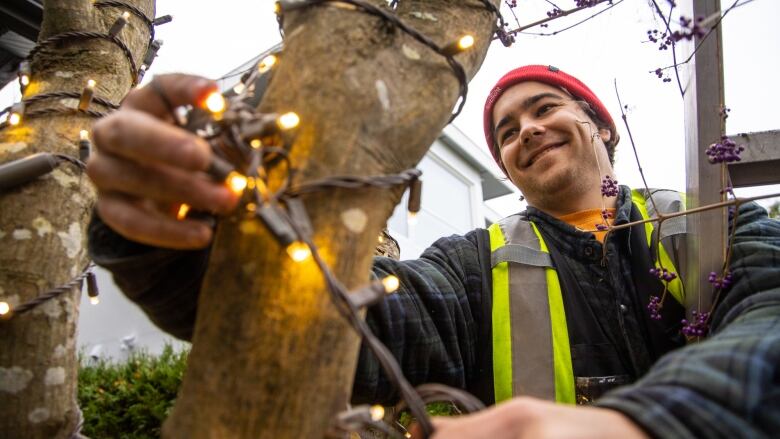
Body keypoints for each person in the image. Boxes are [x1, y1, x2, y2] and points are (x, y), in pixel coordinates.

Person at [86, 66, 780, 438]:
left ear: (601, 122)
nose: (527, 131)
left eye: (545, 108)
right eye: (508, 132)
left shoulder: (709, 218)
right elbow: (317, 324)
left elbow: (772, 313)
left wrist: (643, 423)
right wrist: (162, 236)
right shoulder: (475, 266)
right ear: (508, 170)